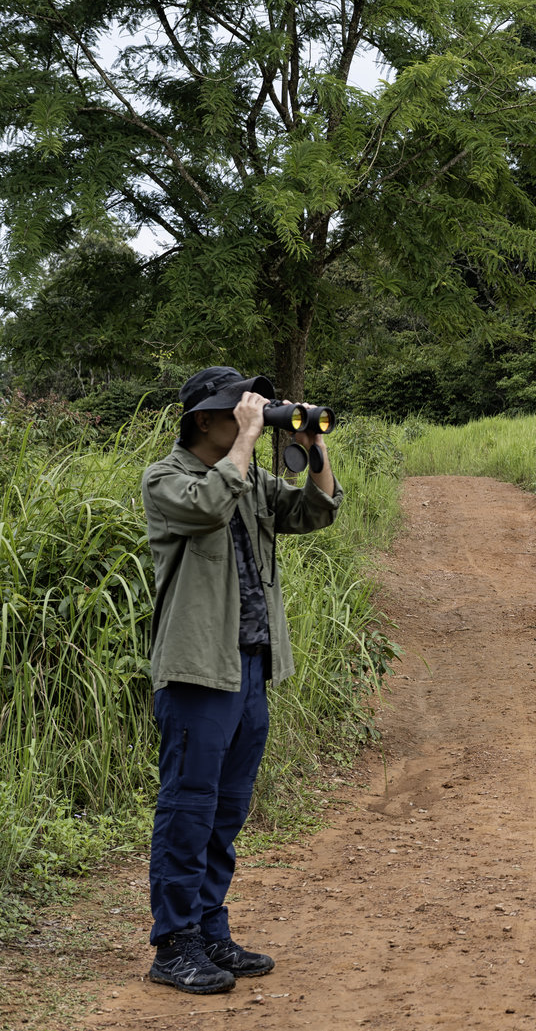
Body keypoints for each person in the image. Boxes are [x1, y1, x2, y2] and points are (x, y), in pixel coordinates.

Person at [139, 366, 343, 994]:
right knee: (189, 809)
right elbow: (206, 505)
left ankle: (209, 931)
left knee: (226, 810)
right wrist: (249, 441)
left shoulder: (249, 476)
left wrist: (315, 449)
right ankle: (173, 945)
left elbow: (314, 513)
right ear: (205, 419)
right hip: (198, 669)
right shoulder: (168, 479)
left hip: (249, 664)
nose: (249, 414)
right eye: (237, 409)